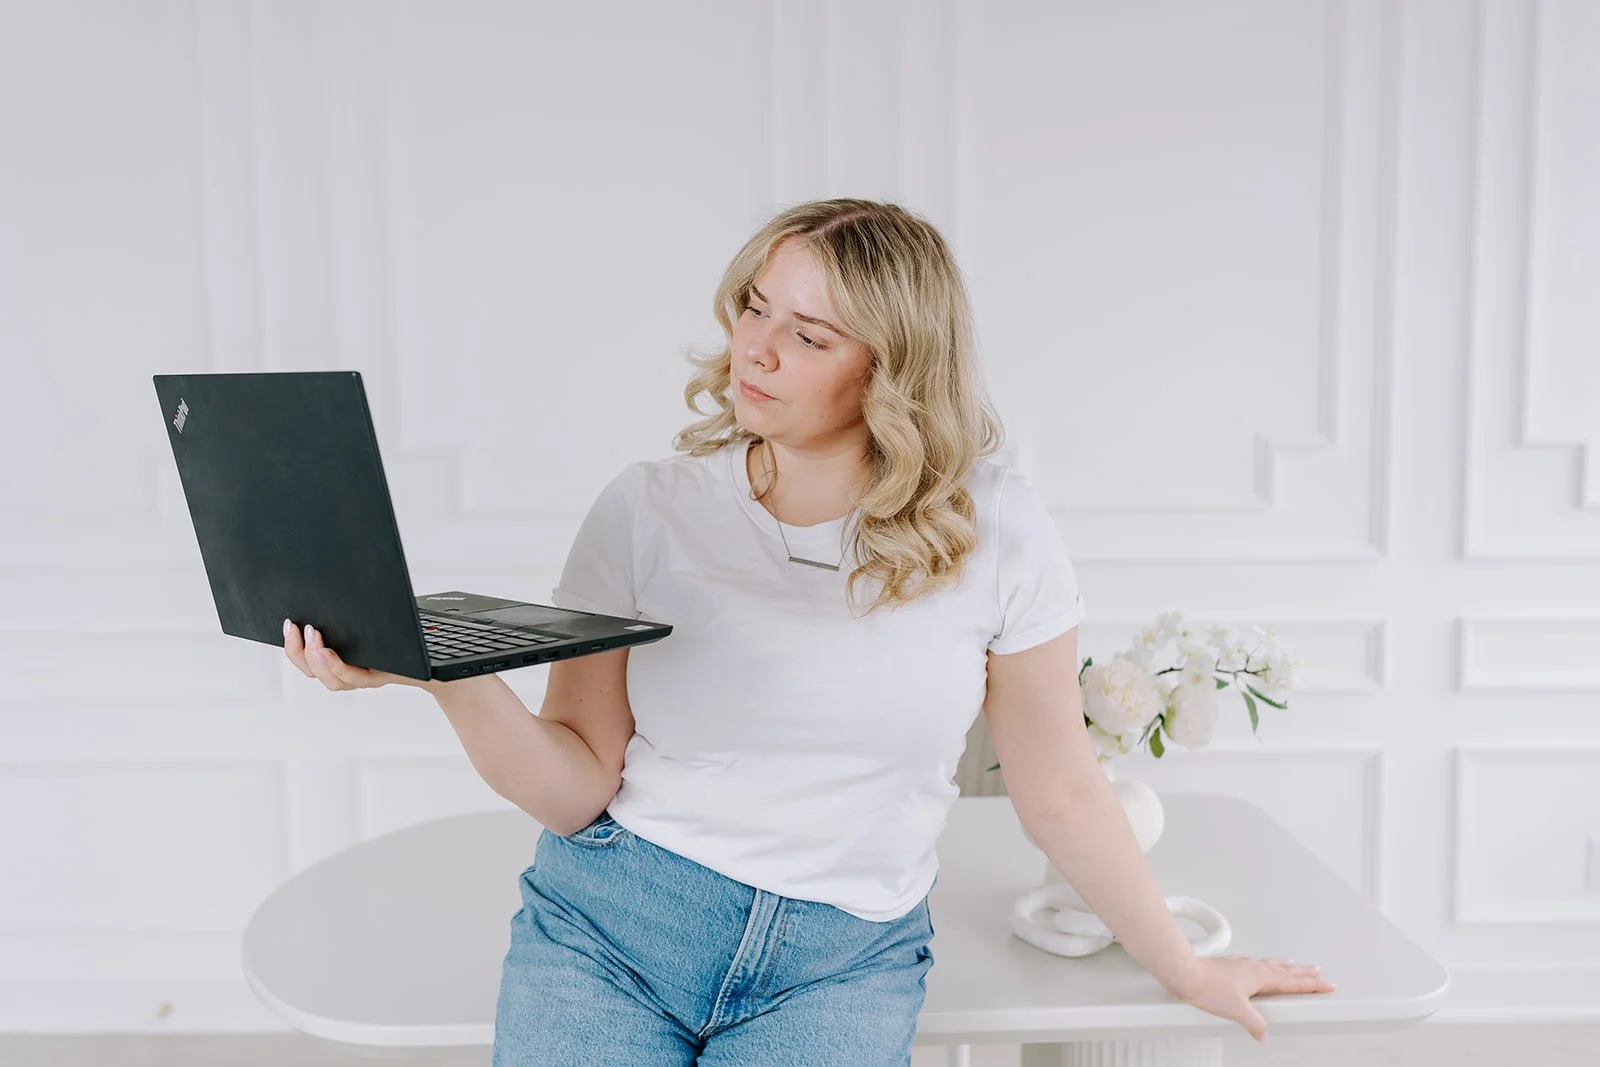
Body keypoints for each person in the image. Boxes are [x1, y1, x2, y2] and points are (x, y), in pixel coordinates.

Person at [282, 198, 1332, 1066]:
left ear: (892, 367)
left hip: (841, 958)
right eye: (753, 306)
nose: (755, 347)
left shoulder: (996, 527)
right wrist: (443, 673)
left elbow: (1058, 788)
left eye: (808, 334)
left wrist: (1184, 967)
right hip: (612, 925)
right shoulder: (648, 507)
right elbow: (574, 784)